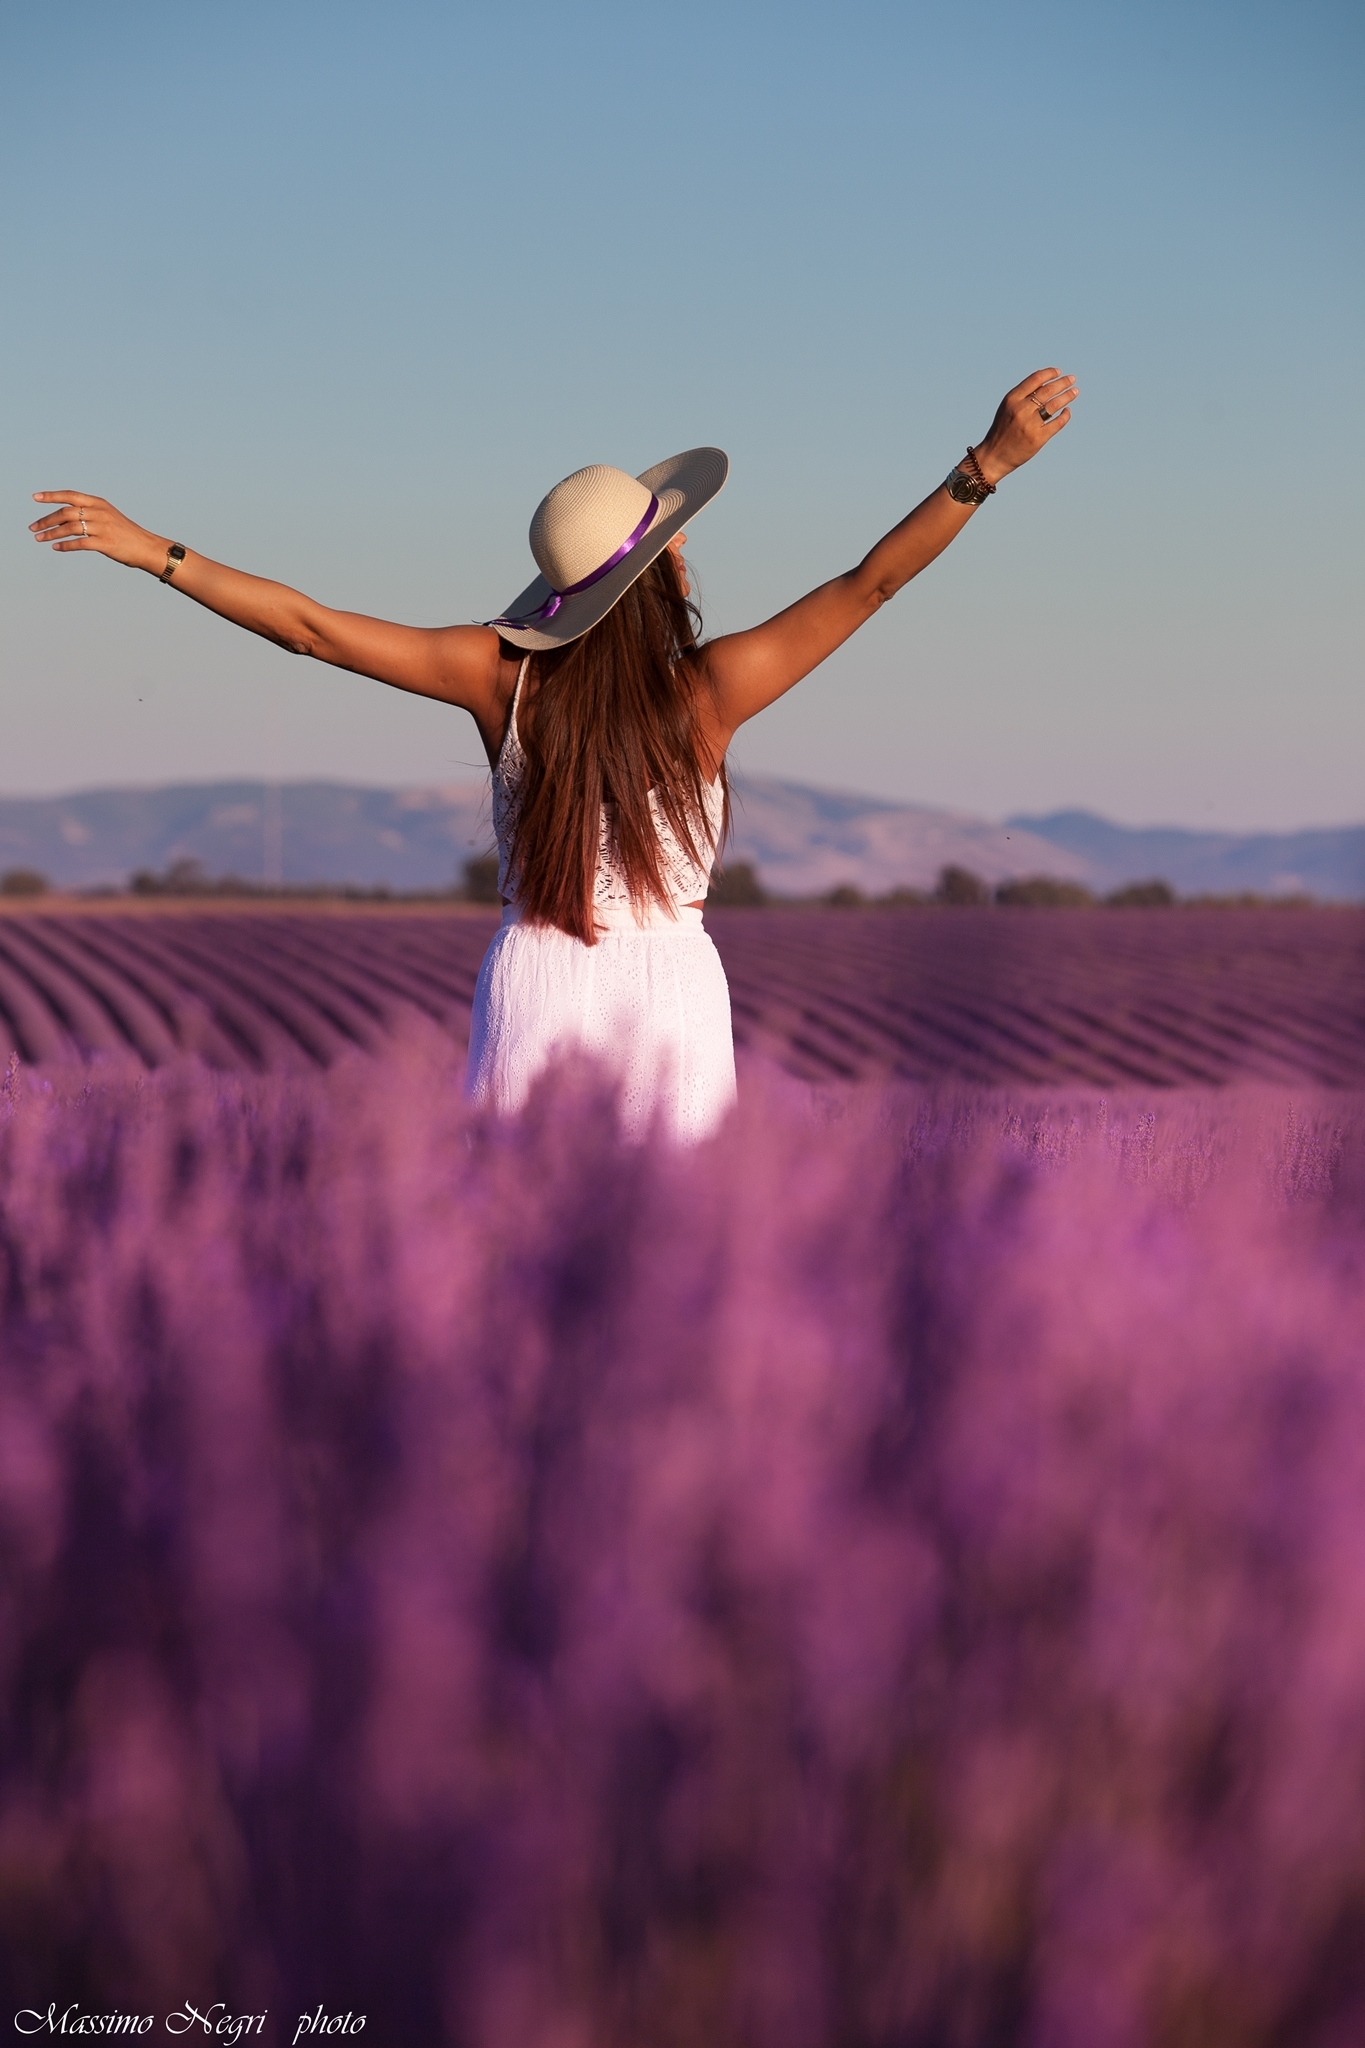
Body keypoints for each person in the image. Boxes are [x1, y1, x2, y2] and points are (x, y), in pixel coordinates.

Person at [30, 367, 1078, 1140]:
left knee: (519, 1245)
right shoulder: (710, 692)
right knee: (668, 1266)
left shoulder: (502, 679)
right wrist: (984, 465)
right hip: (673, 981)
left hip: (538, 973)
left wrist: (153, 549)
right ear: (665, 566)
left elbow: (310, 627)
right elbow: (869, 584)